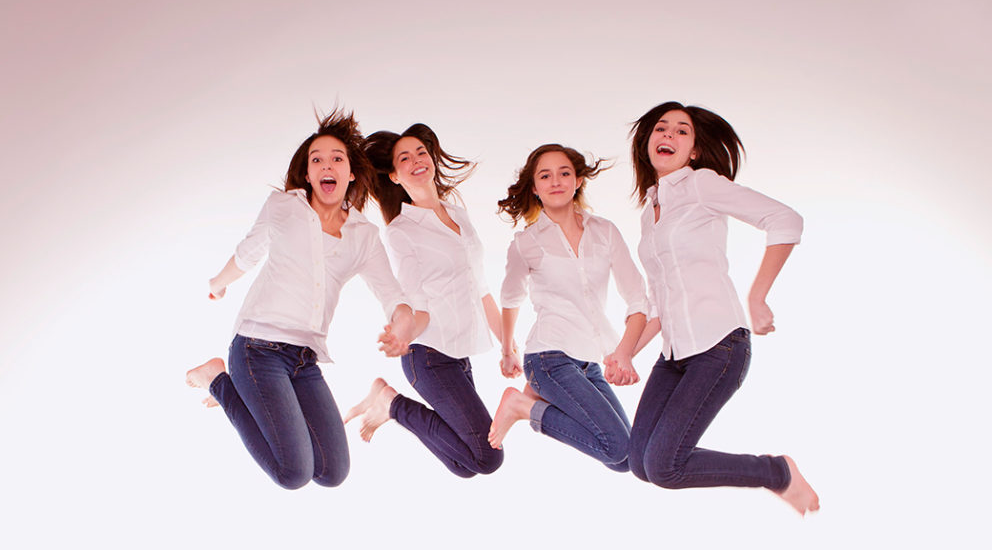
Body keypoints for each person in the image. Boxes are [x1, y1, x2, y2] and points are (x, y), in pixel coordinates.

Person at [185, 109, 415, 490]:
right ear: (308, 174)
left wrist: (401, 326)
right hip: (257, 349)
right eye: (317, 159)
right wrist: (217, 283)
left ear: (351, 173)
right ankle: (217, 380)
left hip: (304, 359)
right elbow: (248, 253)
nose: (327, 165)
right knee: (293, 473)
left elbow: (392, 295)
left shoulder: (363, 234)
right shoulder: (284, 207)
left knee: (331, 472)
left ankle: (237, 392)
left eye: (337, 159)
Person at [627, 101, 820, 515]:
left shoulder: (701, 184)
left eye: (682, 131)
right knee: (640, 464)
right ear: (647, 142)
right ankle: (775, 474)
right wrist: (624, 353)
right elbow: (660, 303)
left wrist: (757, 296)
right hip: (675, 355)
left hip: (718, 346)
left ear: (694, 150)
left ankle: (777, 473)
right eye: (662, 128)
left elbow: (784, 219)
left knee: (664, 467)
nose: (669, 136)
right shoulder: (650, 210)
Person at [346, 124, 503, 478]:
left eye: (420, 152)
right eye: (404, 157)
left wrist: (509, 345)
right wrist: (404, 333)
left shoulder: (458, 215)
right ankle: (390, 403)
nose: (416, 160)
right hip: (429, 357)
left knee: (466, 464)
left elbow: (481, 289)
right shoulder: (402, 230)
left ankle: (389, 404)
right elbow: (419, 306)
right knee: (488, 457)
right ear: (395, 175)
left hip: (458, 353)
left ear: (432, 158)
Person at [488, 144, 647, 471]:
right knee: (616, 446)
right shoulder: (526, 243)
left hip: (588, 362)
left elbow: (637, 299)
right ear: (535, 188)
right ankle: (522, 406)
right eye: (545, 176)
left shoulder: (605, 231)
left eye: (564, 173)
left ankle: (527, 406)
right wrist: (507, 350)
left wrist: (623, 352)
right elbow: (510, 298)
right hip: (548, 358)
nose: (555, 181)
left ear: (577, 181)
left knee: (625, 458)